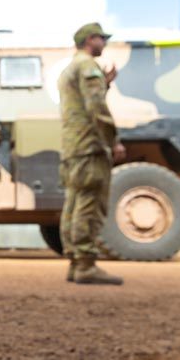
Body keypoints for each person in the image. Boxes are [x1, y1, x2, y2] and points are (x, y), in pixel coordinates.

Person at [57, 22, 126, 285]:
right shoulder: (87, 66)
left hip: (73, 148)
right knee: (89, 203)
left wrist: (105, 85)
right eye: (101, 38)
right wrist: (113, 140)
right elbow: (95, 106)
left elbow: (81, 102)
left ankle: (76, 263)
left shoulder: (68, 69)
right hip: (89, 148)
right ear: (89, 40)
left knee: (74, 203)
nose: (104, 43)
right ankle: (86, 265)